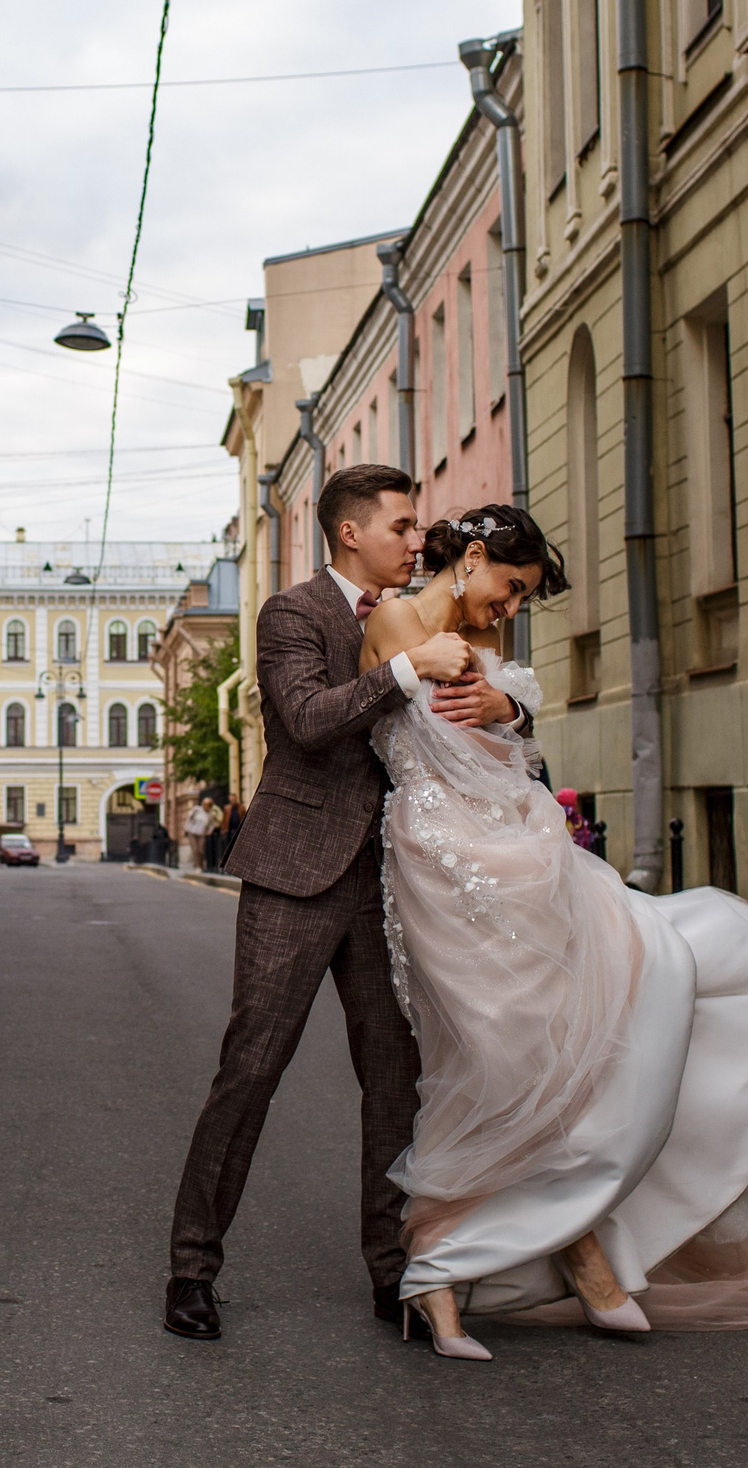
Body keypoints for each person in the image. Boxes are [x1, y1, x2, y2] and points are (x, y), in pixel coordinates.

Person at [359, 503, 748, 1360]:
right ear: (477, 556)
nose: (512, 607)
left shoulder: (490, 651)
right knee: (490, 1059)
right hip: (441, 861)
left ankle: (571, 1233)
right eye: (512, 586)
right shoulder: (394, 619)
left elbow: (510, 755)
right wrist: (418, 666)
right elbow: (369, 717)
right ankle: (467, 1262)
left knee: (620, 1005)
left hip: (525, 856)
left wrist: (507, 709)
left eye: (525, 598)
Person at [164, 465, 529, 1342]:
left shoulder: (436, 618)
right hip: (294, 872)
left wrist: (503, 703)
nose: (418, 541)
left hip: (394, 883)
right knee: (251, 1068)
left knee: (393, 1083)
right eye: (402, 527)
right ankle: (191, 1266)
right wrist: (406, 668)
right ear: (350, 533)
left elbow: (483, 732)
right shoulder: (293, 612)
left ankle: (393, 1272)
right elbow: (305, 718)